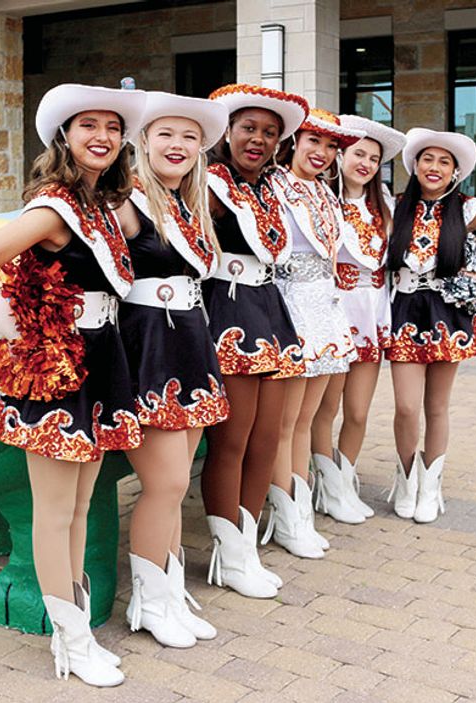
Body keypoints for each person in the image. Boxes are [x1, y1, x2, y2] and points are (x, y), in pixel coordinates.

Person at [0, 84, 147, 687]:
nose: (102, 137)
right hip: (59, 369)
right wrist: (15, 334)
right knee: (56, 510)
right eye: (88, 125)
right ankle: (71, 639)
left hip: (101, 358)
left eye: (113, 128)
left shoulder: (99, 205)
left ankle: (78, 628)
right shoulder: (54, 208)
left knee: (82, 506)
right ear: (64, 136)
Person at [117, 91, 229, 648]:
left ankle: (167, 591)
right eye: (165, 134)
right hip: (147, 347)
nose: (178, 145)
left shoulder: (190, 203)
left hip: (189, 340)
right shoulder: (127, 201)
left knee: (176, 481)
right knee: (164, 484)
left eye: (189, 137)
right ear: (143, 142)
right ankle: (148, 601)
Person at [386, 128, 476, 523]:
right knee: (405, 407)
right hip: (403, 310)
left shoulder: (468, 209)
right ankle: (405, 479)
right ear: (414, 165)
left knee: (436, 406)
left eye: (444, 162)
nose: (434, 168)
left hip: (445, 314)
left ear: (455, 171)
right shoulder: (395, 206)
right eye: (427, 159)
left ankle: (431, 486)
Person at [199, 83, 308, 598]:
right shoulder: (210, 183)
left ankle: (246, 543)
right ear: (228, 131)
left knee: (267, 440)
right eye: (249, 128)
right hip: (229, 310)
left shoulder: (270, 187)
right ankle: (229, 553)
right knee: (233, 441)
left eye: (269, 132)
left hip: (269, 308)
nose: (259, 139)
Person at [261, 109, 362, 558]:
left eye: (331, 147)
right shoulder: (272, 185)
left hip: (324, 307)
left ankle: (300, 510)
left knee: (307, 418)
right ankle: (285, 516)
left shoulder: (326, 193)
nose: (321, 154)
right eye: (313, 143)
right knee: (285, 422)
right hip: (287, 305)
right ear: (294, 142)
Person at [309, 115, 406, 525]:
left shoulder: (384, 204)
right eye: (358, 154)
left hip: (373, 313)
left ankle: (343, 482)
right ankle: (324, 486)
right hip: (334, 310)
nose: (365, 163)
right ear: (341, 156)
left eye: (374, 158)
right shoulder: (321, 198)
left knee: (360, 412)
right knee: (324, 409)